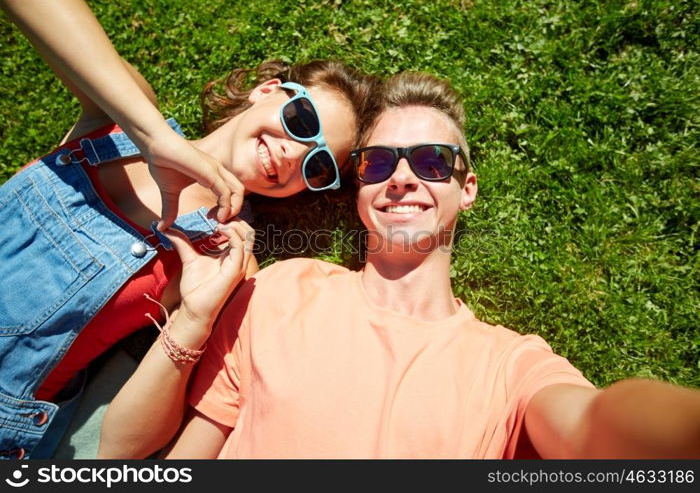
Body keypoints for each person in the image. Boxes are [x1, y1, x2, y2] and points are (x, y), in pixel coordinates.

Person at [99, 72, 700, 459]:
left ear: (467, 189)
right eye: (379, 163)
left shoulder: (511, 365)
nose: (405, 177)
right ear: (359, 191)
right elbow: (139, 461)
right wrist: (191, 323)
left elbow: (594, 429)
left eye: (434, 161)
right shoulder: (282, 290)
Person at [0, 0, 376, 459]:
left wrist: (192, 319)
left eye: (318, 166)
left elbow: (135, 446)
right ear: (268, 91)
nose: (295, 153)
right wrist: (155, 137)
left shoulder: (228, 257)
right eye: (302, 120)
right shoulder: (119, 123)